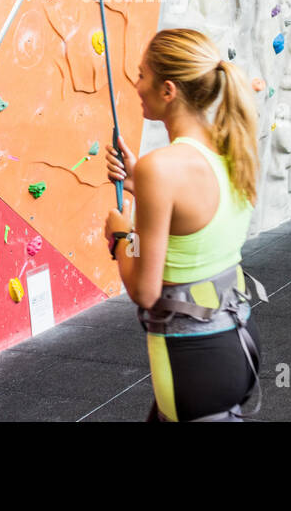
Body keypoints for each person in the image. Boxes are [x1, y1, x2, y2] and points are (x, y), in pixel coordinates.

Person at [103, 28, 262, 421]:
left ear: (168, 90)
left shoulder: (163, 167)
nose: (136, 84)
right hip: (237, 343)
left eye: (142, 75)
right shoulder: (230, 145)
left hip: (190, 359)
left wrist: (121, 237)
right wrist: (141, 184)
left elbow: (144, 290)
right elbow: (192, 219)